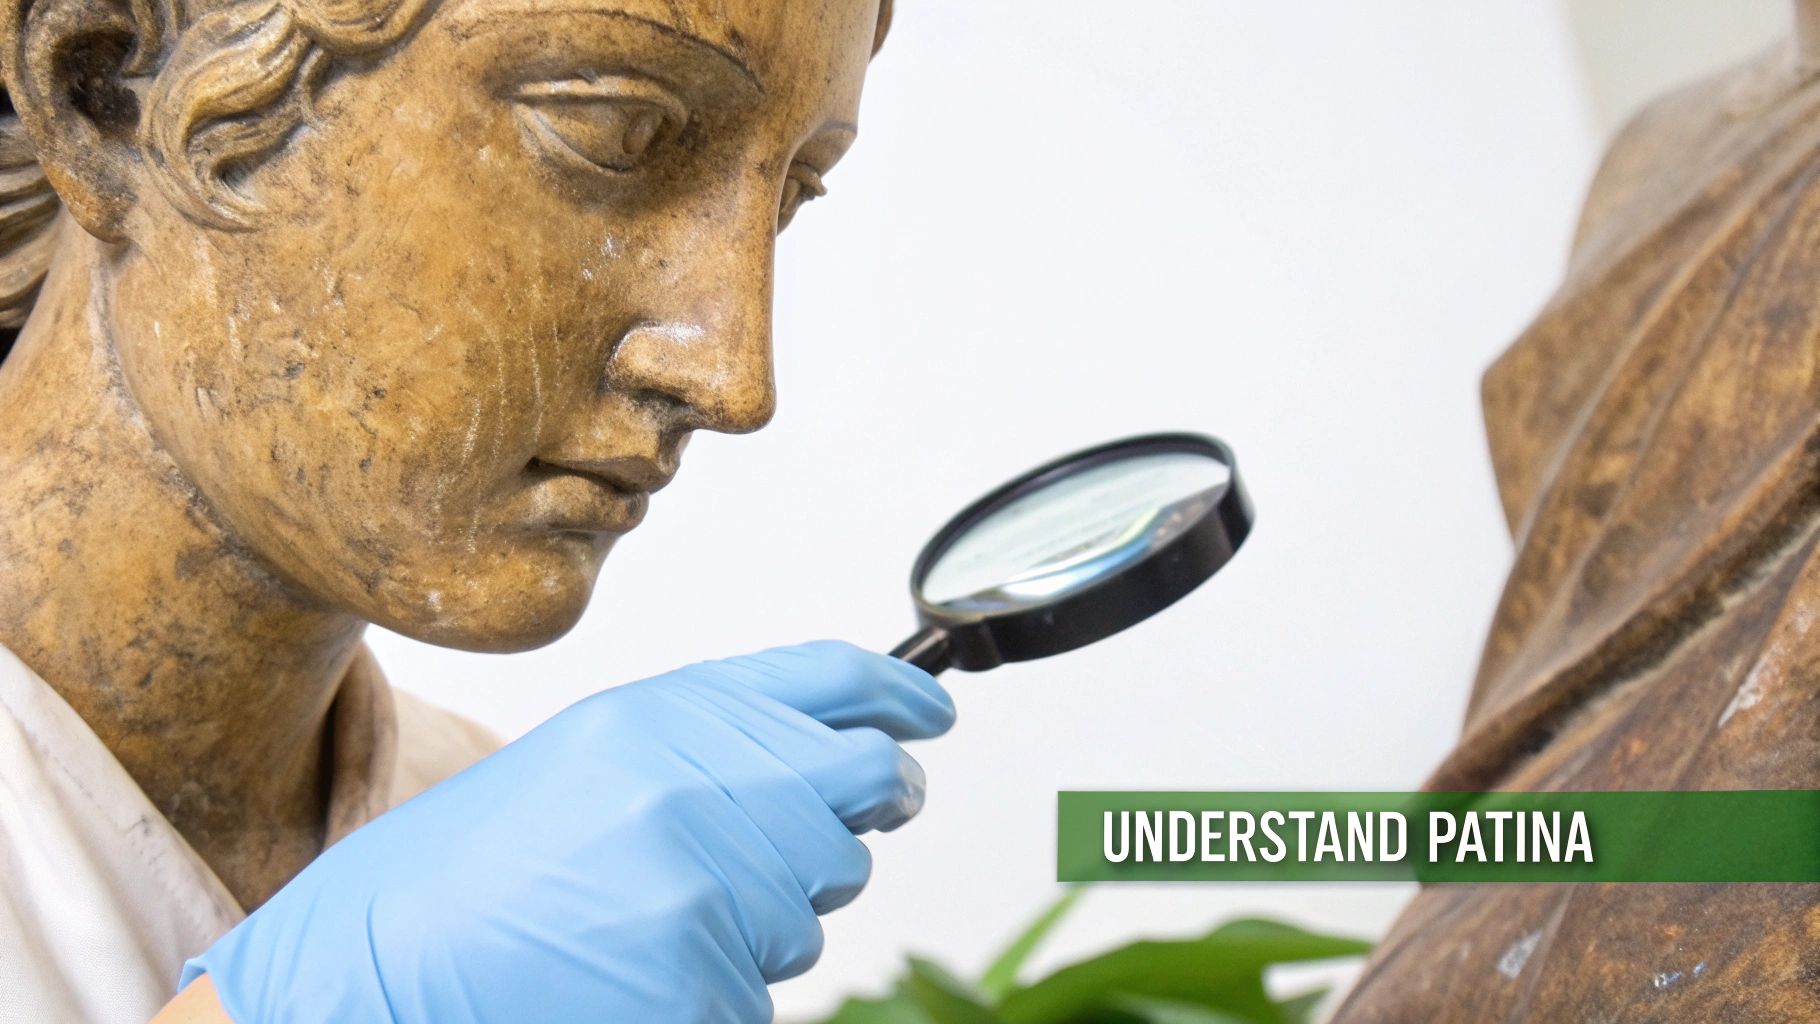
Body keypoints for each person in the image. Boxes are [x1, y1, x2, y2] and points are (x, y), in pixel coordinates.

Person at [0, 0, 939, 1020]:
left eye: (788, 197)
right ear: (101, 93)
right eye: (611, 135)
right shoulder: (458, 922)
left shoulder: (501, 856)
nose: (729, 377)